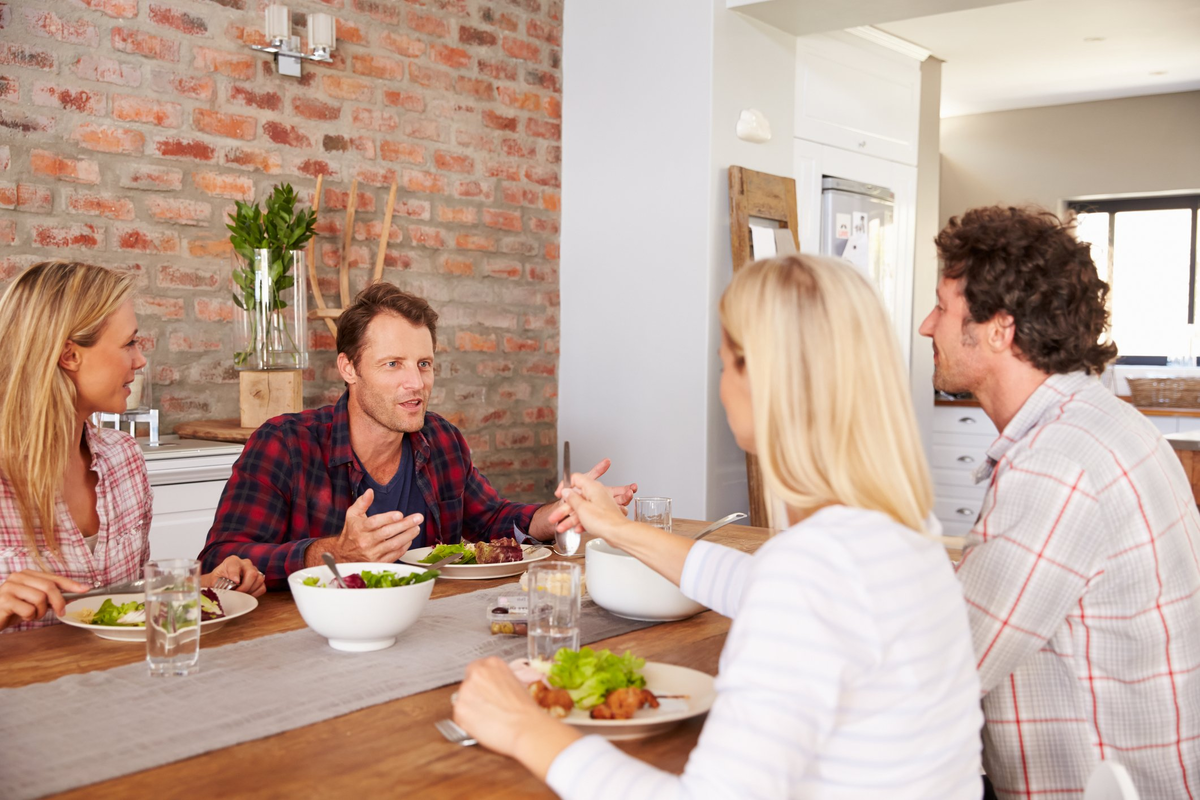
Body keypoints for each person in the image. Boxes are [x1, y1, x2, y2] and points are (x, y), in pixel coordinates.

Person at [452, 254, 985, 798]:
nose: (721, 382)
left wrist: (523, 728)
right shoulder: (897, 530)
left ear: (763, 378)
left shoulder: (812, 569)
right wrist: (614, 528)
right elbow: (751, 584)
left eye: (726, 362)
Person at [919, 206, 1200, 798]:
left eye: (943, 307)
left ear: (1000, 328)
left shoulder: (1055, 465)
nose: (927, 325)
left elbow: (939, 671)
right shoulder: (1108, 422)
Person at [200, 282, 636, 589]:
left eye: (423, 364)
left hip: (426, 632)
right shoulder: (284, 444)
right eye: (393, 364)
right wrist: (332, 553)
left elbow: (489, 520)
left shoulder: (441, 439)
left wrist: (551, 517)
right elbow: (222, 559)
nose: (416, 383)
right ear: (348, 368)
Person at [0, 261, 263, 633]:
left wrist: (204, 585)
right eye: (129, 344)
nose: (140, 360)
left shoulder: (123, 458)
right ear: (69, 355)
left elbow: (126, 601)